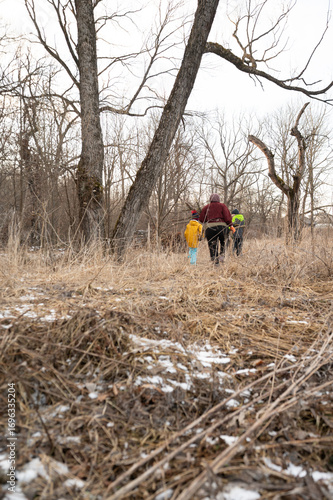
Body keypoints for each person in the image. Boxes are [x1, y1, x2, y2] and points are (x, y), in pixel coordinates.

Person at [199, 194, 235, 265]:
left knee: (212, 244)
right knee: (223, 242)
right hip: (222, 227)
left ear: (210, 199)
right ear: (218, 199)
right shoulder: (222, 206)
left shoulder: (206, 207)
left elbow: (201, 219)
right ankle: (222, 256)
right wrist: (231, 225)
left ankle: (215, 260)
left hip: (210, 228)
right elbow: (227, 218)